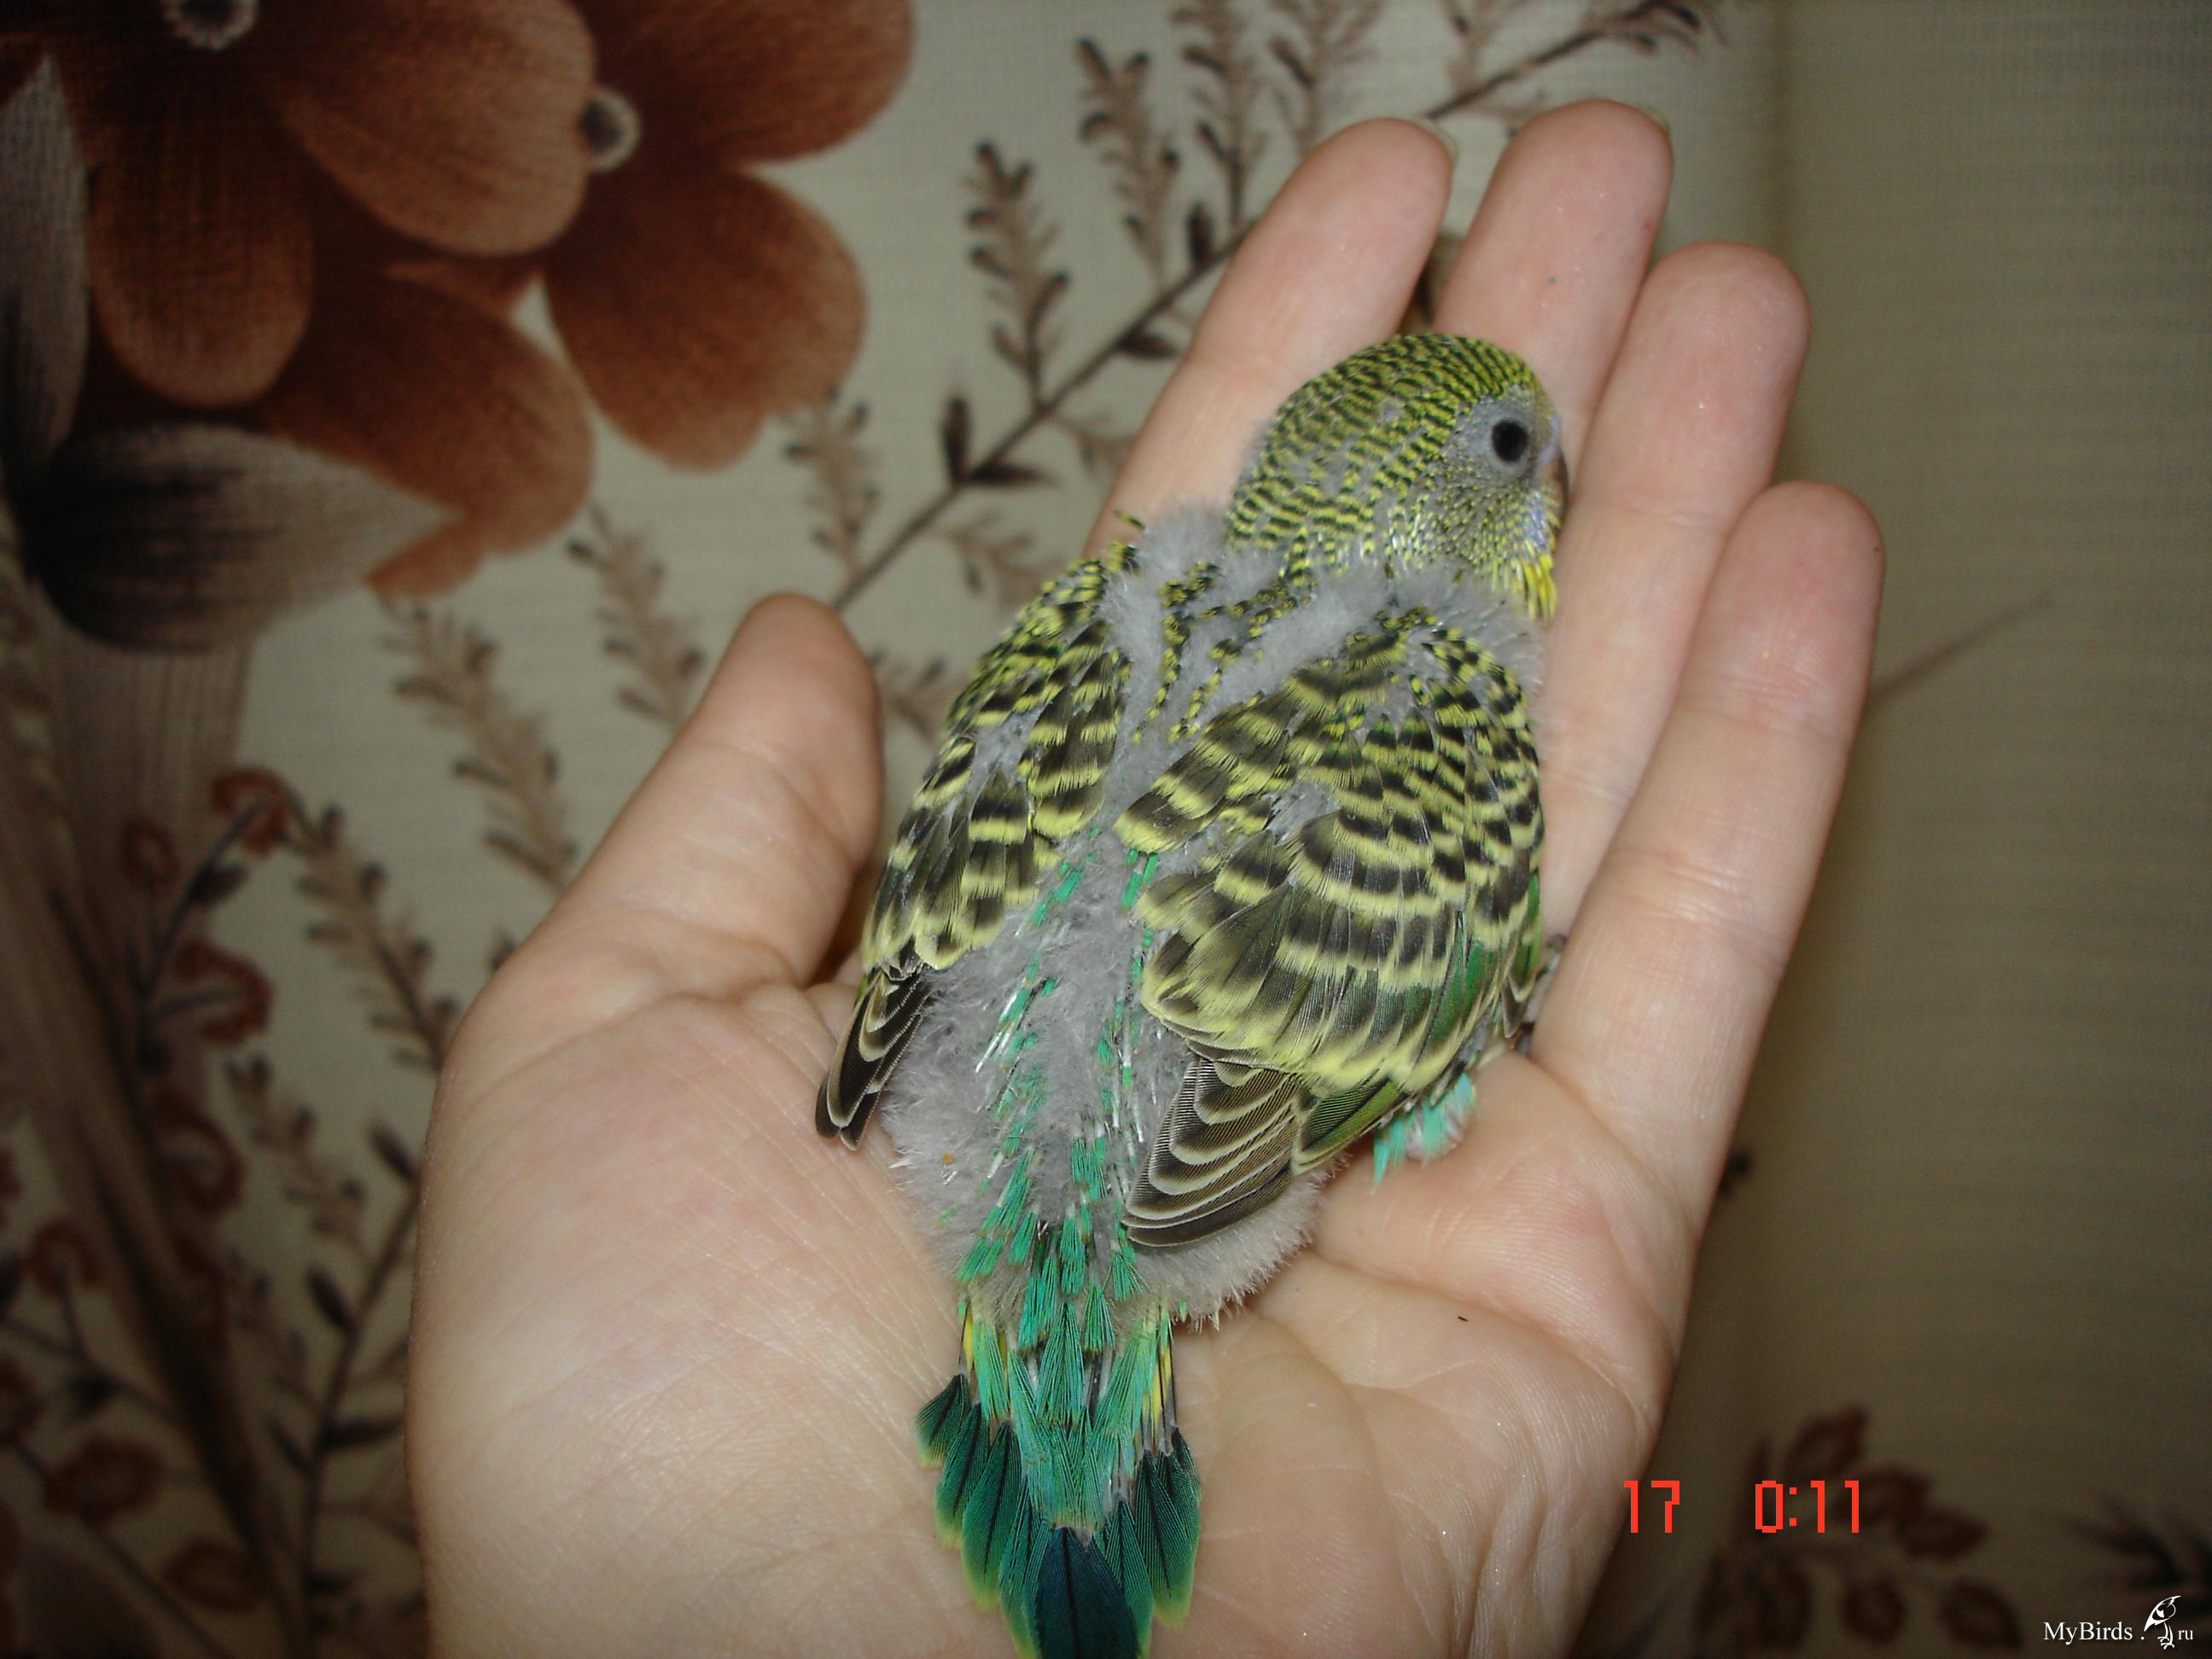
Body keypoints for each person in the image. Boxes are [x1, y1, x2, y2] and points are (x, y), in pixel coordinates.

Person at [405, 102, 1883, 1656]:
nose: (1551, 479)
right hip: (1180, 1174)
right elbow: (1372, 1006)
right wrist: (1492, 977)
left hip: (972, 1097)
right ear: (1442, 492)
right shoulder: (1451, 716)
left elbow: (963, 879)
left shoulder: (1101, 612)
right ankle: (1083, 1460)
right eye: (1516, 454)